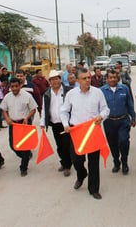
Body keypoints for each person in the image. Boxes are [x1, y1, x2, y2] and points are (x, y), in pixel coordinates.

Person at [60, 68, 109, 200]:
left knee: (93, 162)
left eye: (88, 77)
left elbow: (106, 109)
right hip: (77, 132)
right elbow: (64, 111)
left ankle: (94, 189)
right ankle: (81, 175)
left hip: (92, 131)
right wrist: (65, 124)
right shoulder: (71, 94)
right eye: (84, 78)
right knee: (77, 160)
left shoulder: (98, 93)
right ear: (77, 80)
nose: (88, 80)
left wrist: (101, 116)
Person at [0, 78, 38, 177]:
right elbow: (3, 109)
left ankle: (23, 167)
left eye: (16, 86)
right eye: (12, 87)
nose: (15, 88)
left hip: (24, 124)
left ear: (20, 85)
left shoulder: (27, 96)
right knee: (13, 145)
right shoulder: (7, 97)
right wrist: (7, 118)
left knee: (25, 146)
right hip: (13, 124)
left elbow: (33, 109)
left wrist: (27, 117)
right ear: (10, 87)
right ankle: (26, 155)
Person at [101, 69, 136, 175]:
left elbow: (130, 104)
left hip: (123, 121)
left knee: (123, 141)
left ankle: (124, 162)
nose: (112, 79)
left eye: (115, 77)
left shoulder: (124, 89)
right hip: (109, 122)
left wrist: (133, 117)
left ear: (118, 78)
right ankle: (116, 162)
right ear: (107, 79)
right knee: (112, 144)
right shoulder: (101, 91)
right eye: (110, 77)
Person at [40, 70, 72, 177]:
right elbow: (44, 108)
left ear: (60, 79)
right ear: (50, 82)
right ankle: (63, 162)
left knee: (66, 144)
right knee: (59, 145)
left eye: (57, 79)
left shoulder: (68, 91)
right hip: (54, 123)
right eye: (52, 80)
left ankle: (67, 166)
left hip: (66, 123)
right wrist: (42, 122)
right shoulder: (47, 93)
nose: (55, 81)